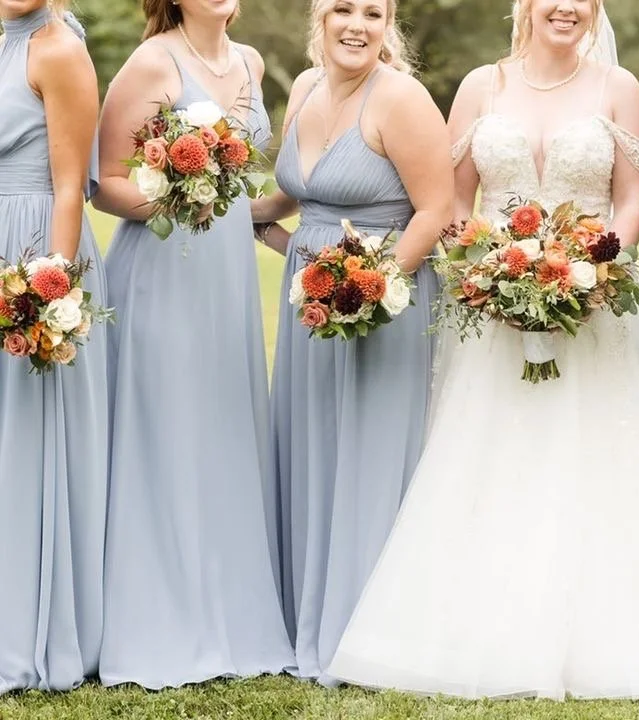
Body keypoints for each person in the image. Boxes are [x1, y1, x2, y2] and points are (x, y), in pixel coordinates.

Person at [326, 0, 639, 700]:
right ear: (525, 7)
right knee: (489, 455)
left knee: (593, 458)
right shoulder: (480, 86)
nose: (565, 6)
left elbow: (631, 200)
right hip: (493, 310)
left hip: (593, 308)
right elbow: (454, 198)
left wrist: (595, 266)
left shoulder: (617, 89)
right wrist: (490, 270)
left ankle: (608, 636)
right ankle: (475, 630)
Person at [92, 0, 293, 688]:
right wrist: (177, 203)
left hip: (226, 277)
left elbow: (243, 189)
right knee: (168, 430)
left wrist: (287, 216)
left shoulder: (251, 61)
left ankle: (227, 609)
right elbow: (104, 184)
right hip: (164, 268)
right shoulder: (153, 61)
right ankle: (158, 616)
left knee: (220, 428)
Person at [250, 0, 452, 682]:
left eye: (374, 11)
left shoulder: (401, 99)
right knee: (314, 448)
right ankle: (306, 610)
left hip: (383, 304)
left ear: (388, 22)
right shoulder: (304, 89)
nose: (357, 24)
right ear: (320, 16)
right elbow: (295, 194)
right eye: (343, 8)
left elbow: (436, 209)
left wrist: (372, 285)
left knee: (369, 454)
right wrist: (228, 213)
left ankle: (371, 627)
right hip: (311, 302)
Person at [0, 0, 107, 694]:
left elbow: (71, 186)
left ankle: (31, 629)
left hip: (33, 246)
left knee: (30, 438)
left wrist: (51, 292)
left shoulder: (57, 47)